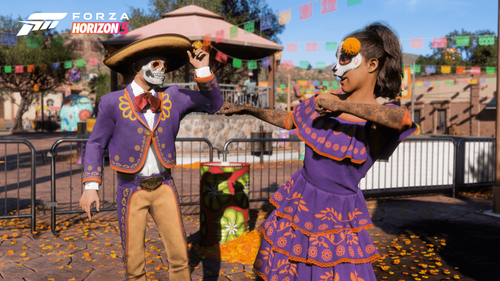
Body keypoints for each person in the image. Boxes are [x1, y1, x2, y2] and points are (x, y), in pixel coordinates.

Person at [219, 22, 415, 281]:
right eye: (337, 59)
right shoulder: (323, 102)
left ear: (372, 65)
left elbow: (402, 119)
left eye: (346, 59)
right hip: (298, 202)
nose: (337, 68)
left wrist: (341, 106)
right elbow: (288, 120)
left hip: (338, 217)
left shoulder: (378, 121)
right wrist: (248, 109)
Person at [79, 34, 223, 281]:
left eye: (164, 65)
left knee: (179, 254)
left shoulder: (174, 96)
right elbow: (96, 143)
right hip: (130, 188)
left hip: (165, 185)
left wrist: (203, 71)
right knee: (134, 259)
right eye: (155, 64)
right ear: (136, 67)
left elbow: (213, 104)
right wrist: (91, 185)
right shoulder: (111, 102)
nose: (162, 70)